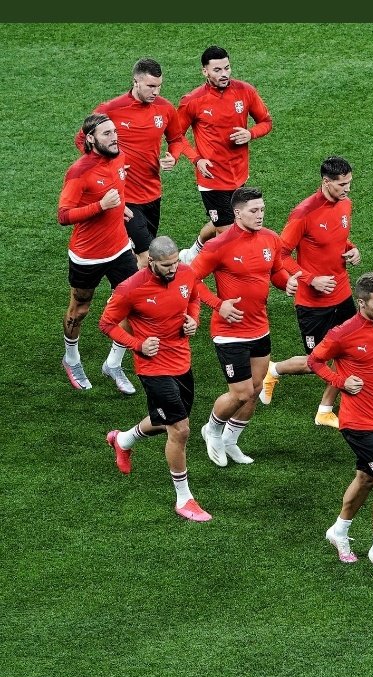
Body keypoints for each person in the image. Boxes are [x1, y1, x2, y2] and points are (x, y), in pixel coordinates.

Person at [99, 236, 212, 522]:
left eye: (174, 263)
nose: (173, 269)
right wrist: (137, 344)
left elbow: (194, 297)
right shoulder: (130, 288)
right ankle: (184, 499)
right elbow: (106, 323)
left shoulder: (185, 273)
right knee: (180, 429)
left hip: (181, 361)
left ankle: (122, 440)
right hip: (152, 367)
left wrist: (193, 320)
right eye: (166, 265)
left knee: (166, 420)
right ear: (151, 262)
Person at [310, 272, 373, 579]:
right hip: (356, 422)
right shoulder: (343, 333)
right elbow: (314, 361)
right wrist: (340, 381)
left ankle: (339, 530)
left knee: (366, 478)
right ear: (361, 303)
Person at [189, 187, 300, 467]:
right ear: (237, 213)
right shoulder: (219, 245)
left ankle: (231, 441)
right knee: (241, 393)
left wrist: (286, 282)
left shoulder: (270, 238)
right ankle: (212, 431)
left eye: (262, 209)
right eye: (254, 210)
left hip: (259, 327)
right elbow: (189, 280)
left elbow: (275, 271)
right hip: (229, 332)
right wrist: (219, 305)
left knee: (256, 388)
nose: (260, 215)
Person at [258, 156, 362, 429]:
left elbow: (337, 239)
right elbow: (280, 255)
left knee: (349, 352)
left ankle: (324, 410)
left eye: (349, 183)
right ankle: (274, 370)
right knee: (317, 361)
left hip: (342, 293)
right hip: (313, 303)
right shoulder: (303, 213)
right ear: (326, 182)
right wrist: (311, 279)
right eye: (342, 184)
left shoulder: (345, 204)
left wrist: (352, 249)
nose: (347, 189)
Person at [78, 58, 197, 268]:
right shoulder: (111, 109)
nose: (156, 92)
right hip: (125, 195)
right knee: (146, 254)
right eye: (150, 86)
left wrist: (173, 156)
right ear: (135, 82)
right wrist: (106, 165)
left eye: (159, 86)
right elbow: (82, 140)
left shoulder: (165, 108)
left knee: (135, 254)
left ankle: (122, 283)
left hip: (152, 193)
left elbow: (176, 138)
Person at [58, 113, 139, 394]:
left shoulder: (118, 157)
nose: (114, 137)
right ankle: (71, 359)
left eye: (115, 131)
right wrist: (101, 206)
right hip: (88, 255)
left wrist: (121, 208)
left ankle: (113, 364)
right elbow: (63, 215)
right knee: (80, 309)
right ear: (91, 138)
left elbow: (115, 190)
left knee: (134, 306)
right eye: (107, 133)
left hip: (120, 248)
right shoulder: (79, 172)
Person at [177, 46, 272, 263]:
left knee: (223, 220)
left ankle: (192, 254)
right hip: (212, 179)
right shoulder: (193, 100)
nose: (224, 74)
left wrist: (250, 133)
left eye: (227, 68)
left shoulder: (245, 91)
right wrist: (196, 159)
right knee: (230, 234)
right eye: (217, 70)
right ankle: (216, 271)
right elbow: (176, 135)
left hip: (239, 174)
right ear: (205, 71)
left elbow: (266, 122)